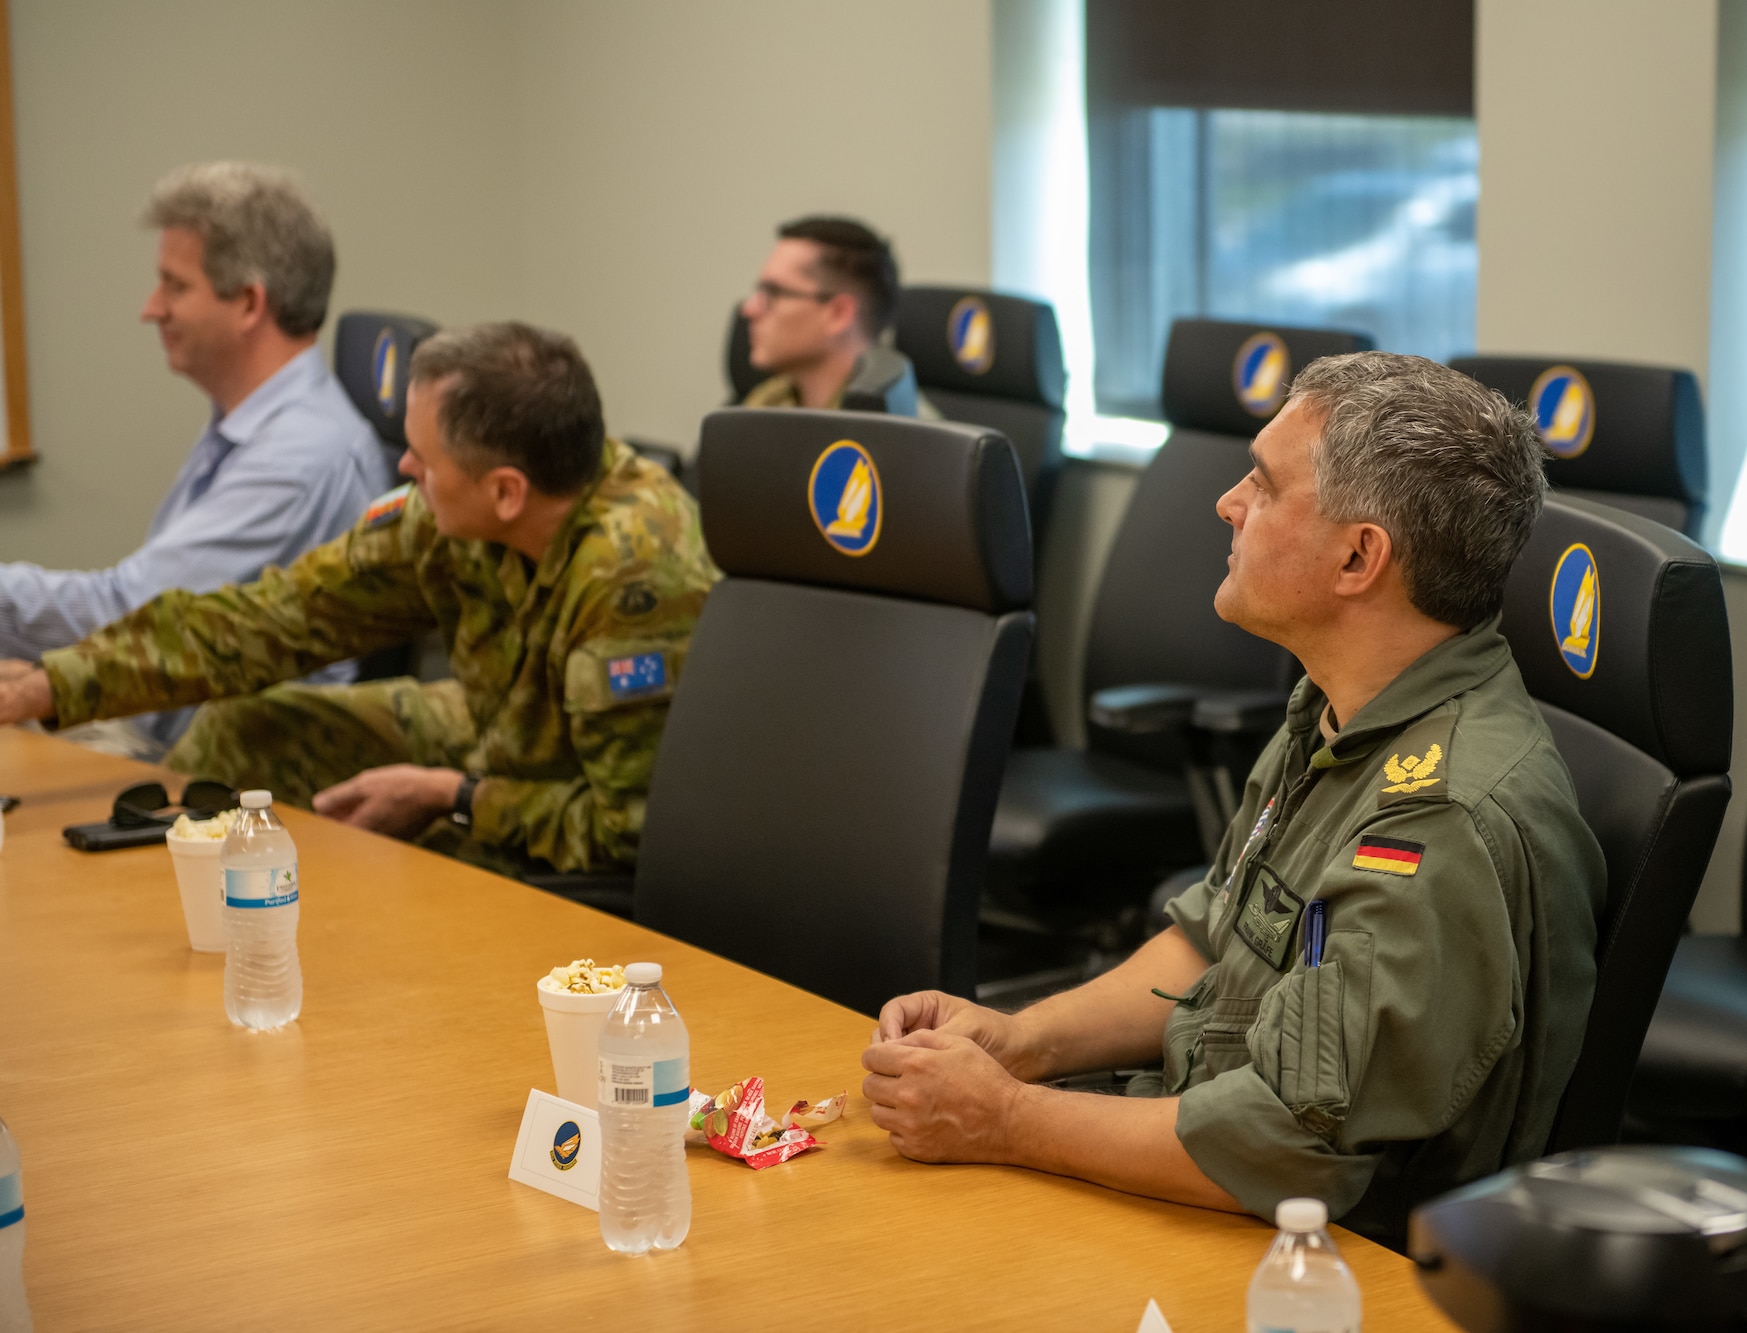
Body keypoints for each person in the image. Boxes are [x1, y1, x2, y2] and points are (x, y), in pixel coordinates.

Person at [860, 353, 1605, 1246]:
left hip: (1322, 1254)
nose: (1228, 501)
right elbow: (1216, 936)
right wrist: (1021, 1043)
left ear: (1359, 556)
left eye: (1263, 481)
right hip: (1200, 1166)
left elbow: (1284, 1145)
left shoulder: (1434, 821)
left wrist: (1008, 1118)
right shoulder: (1341, 707)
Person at [0, 322, 720, 877]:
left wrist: (454, 796)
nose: (402, 469)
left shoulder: (636, 579)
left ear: (505, 491)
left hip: (572, 796)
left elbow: (630, 829)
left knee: (405, 868)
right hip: (496, 728)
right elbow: (273, 619)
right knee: (246, 733)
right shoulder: (452, 514)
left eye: (422, 460)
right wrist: (55, 681)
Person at [0, 162, 391, 757]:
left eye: (174, 286)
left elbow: (132, 617)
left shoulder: (301, 458)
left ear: (249, 303)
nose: (151, 308)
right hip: (151, 729)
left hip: (210, 778)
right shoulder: (245, 425)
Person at [739, 215, 926, 413]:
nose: (749, 309)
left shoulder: (905, 434)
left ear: (839, 314)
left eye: (774, 293)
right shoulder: (767, 403)